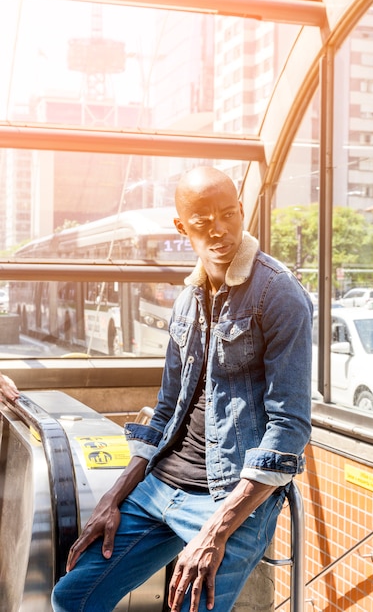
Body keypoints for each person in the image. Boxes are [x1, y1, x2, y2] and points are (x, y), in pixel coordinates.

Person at [3, 166, 313, 612]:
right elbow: (167, 407)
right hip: (159, 484)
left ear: (243, 211)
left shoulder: (278, 294)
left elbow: (290, 427)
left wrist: (215, 532)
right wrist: (114, 495)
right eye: (203, 221)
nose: (220, 230)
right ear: (181, 226)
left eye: (228, 214)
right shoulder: (187, 299)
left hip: (228, 496)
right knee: (73, 597)